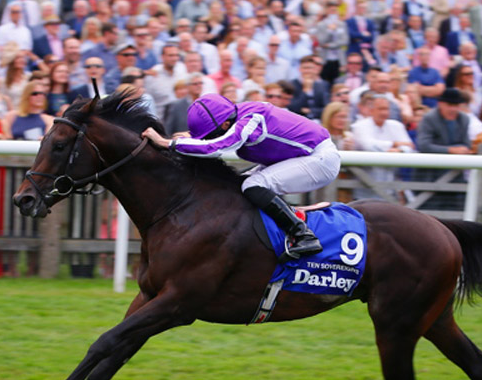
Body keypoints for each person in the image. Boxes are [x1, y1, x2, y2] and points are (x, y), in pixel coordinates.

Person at [141, 93, 341, 257]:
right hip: (303, 156)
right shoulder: (234, 115)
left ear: (225, 125)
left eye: (212, 132)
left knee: (252, 186)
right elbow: (212, 138)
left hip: (320, 160)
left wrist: (166, 143)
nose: (210, 136)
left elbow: (215, 147)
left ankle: (304, 235)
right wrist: (192, 138)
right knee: (240, 184)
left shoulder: (249, 121)